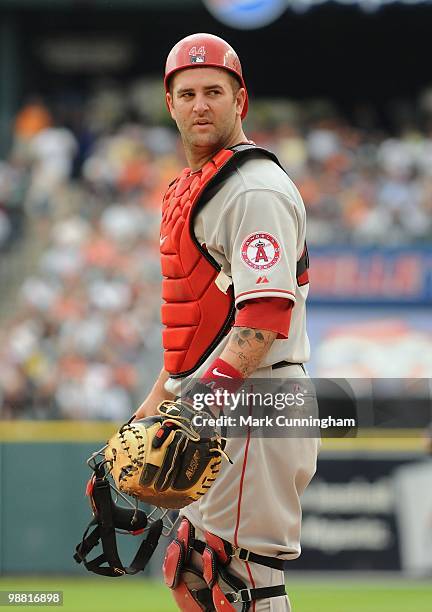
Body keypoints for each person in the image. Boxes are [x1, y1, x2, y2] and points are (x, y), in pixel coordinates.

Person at [133, 33, 319, 611]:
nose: (200, 105)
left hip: (256, 398)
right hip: (227, 397)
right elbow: (200, 328)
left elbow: (262, 317)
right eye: (186, 93)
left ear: (241, 100)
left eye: (214, 91)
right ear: (170, 104)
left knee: (233, 576)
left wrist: (196, 407)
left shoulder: (253, 188)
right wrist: (154, 406)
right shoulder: (205, 185)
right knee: (193, 566)